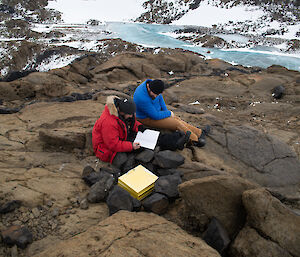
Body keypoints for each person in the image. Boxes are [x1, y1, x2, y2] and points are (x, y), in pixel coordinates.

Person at [133, 79, 210, 147]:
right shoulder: (142, 98)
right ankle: (194, 140)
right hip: (146, 118)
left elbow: (160, 97)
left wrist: (166, 112)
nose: (156, 96)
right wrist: (169, 113)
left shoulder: (152, 85)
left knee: (177, 119)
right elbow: (155, 116)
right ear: (150, 89)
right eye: (155, 94)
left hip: (155, 112)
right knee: (176, 123)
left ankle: (199, 132)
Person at [92, 96, 142, 169]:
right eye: (130, 114)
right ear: (122, 112)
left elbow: (130, 122)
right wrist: (131, 146)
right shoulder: (109, 122)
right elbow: (113, 145)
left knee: (140, 148)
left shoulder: (123, 112)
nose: (131, 116)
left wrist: (139, 126)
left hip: (119, 138)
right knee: (125, 159)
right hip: (105, 150)